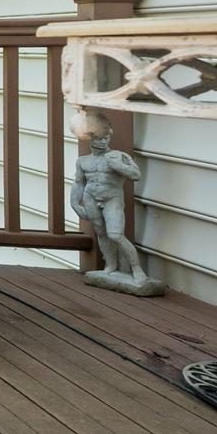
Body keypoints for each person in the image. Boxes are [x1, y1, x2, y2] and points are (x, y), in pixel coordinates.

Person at [69, 108, 159, 295]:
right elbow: (78, 182)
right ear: (89, 139)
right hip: (90, 196)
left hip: (112, 198)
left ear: (109, 136)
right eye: (96, 139)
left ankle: (137, 270)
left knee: (115, 234)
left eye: (104, 139)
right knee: (101, 233)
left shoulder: (119, 156)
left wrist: (116, 164)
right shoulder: (83, 161)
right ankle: (110, 265)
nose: (101, 143)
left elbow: (135, 175)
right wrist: (75, 204)